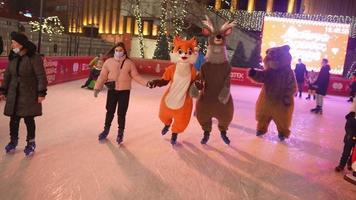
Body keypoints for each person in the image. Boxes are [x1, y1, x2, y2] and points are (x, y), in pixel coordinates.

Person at [0, 32, 48, 156]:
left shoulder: (33, 57)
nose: (11, 44)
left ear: (20, 44)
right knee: (13, 119)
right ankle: (13, 141)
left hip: (29, 93)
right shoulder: (13, 56)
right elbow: (8, 75)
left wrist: (41, 92)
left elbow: (41, 76)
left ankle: (31, 142)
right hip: (14, 93)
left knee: (28, 119)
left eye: (13, 42)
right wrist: (3, 90)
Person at [93, 42, 149, 144]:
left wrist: (147, 83)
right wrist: (97, 88)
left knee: (122, 113)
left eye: (121, 50)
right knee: (110, 111)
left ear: (124, 51)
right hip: (112, 90)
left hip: (124, 91)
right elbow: (102, 76)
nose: (119, 52)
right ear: (114, 51)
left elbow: (136, 76)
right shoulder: (108, 62)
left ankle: (120, 132)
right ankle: (106, 130)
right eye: (117, 50)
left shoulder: (129, 63)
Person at [335, 98, 356, 172]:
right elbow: (348, 127)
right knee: (346, 151)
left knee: (355, 152)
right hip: (350, 136)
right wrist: (349, 134)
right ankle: (341, 165)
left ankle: (350, 162)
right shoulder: (351, 116)